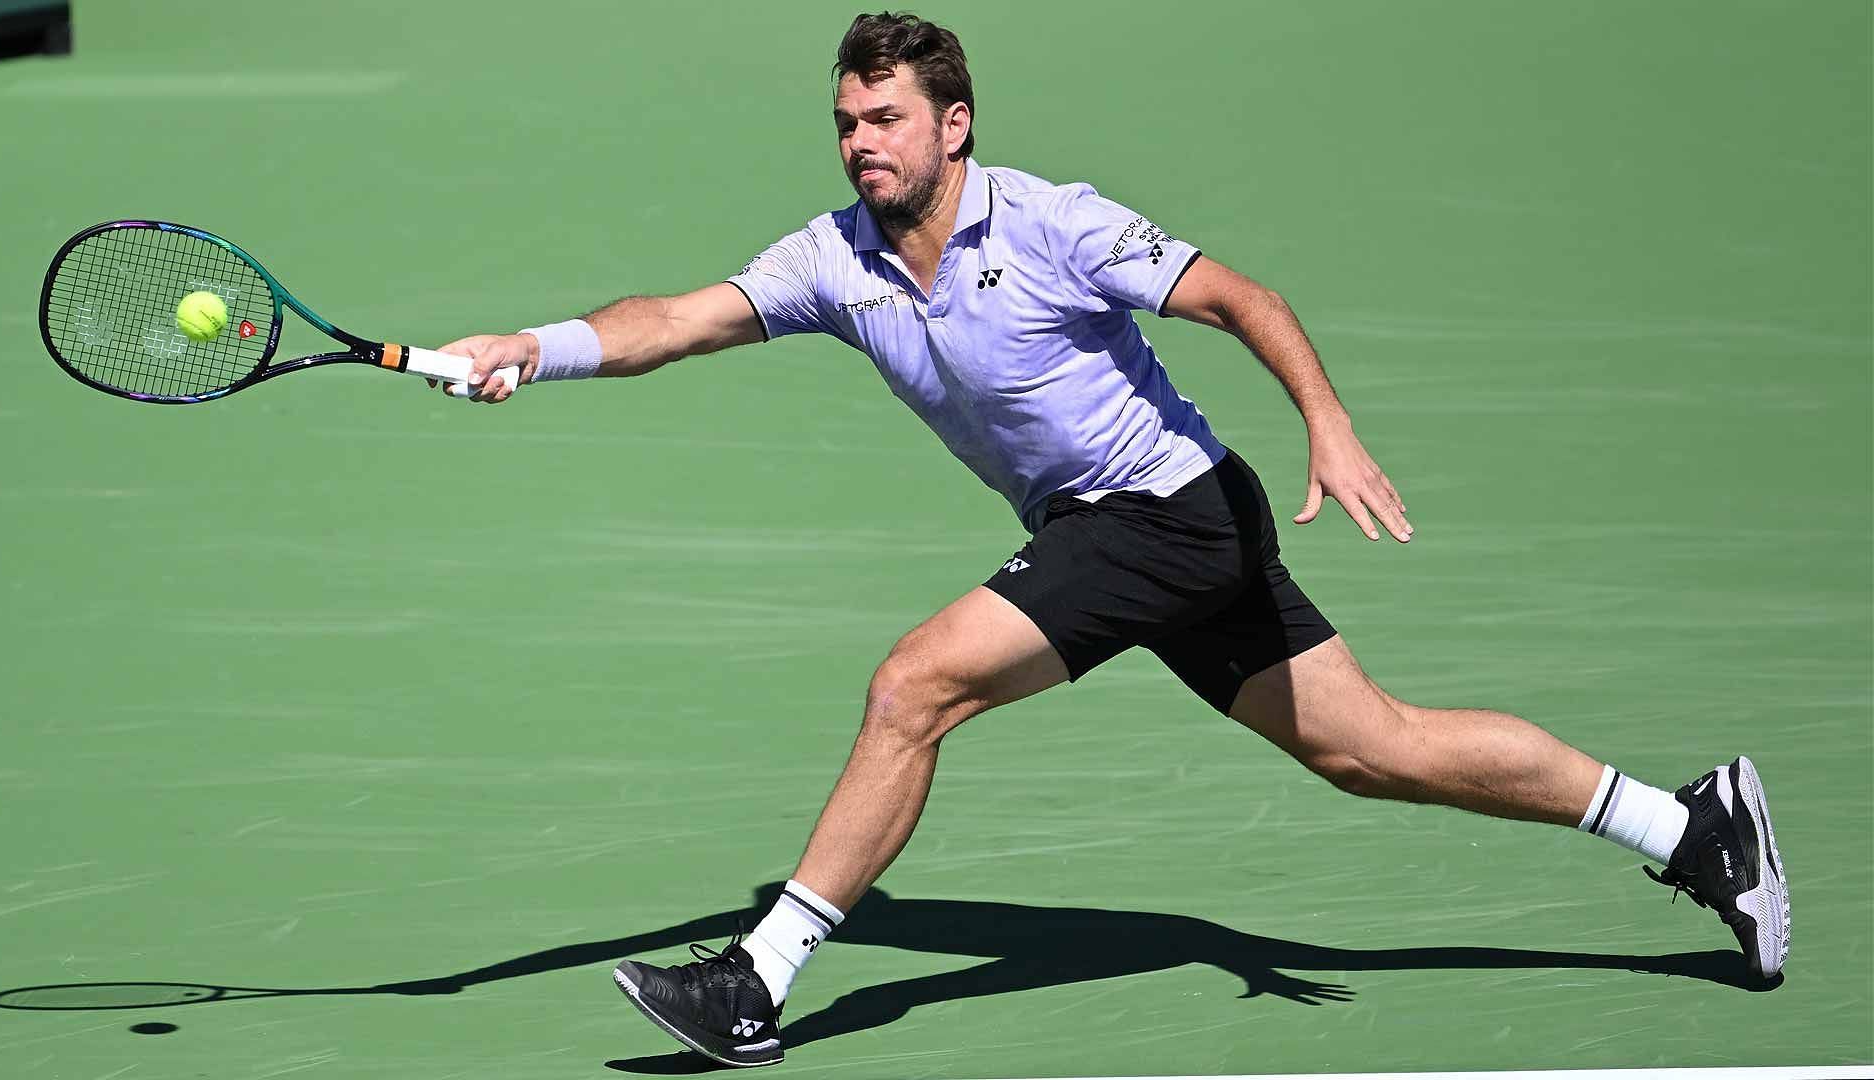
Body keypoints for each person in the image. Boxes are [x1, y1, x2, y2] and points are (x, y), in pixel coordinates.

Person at [435, 12, 1789, 1068]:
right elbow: (670, 322)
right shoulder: (834, 259)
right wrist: (529, 351)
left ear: (954, 125)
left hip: (1171, 511)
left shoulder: (1053, 223)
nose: (863, 144)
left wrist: (1329, 423)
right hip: (1134, 532)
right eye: (848, 122)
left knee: (916, 684)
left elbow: (1242, 298)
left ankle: (758, 978)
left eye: (888, 120)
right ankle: (1694, 827)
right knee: (1377, 750)